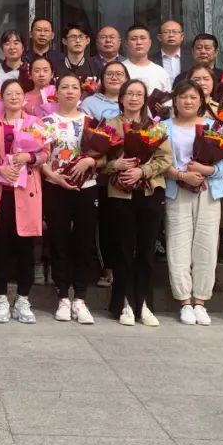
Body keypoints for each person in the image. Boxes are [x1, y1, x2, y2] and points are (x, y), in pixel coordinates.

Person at [0, 79, 48, 324]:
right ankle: (0, 298)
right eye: (9, 93)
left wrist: (29, 157)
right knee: (1, 247)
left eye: (18, 93)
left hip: (26, 192)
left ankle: (23, 299)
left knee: (25, 248)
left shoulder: (35, 124)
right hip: (1, 191)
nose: (14, 97)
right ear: (2, 98)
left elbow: (46, 152)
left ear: (24, 98)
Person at [162, 79, 223, 326]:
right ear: (175, 100)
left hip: (208, 191)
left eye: (193, 97)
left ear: (201, 101)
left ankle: (200, 300)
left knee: (206, 245)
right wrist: (181, 175)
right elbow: (158, 160)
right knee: (178, 245)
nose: (188, 101)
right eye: (183, 97)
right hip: (176, 190)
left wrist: (206, 170)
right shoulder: (163, 127)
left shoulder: (214, 126)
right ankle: (184, 300)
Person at [102, 79, 173, 327]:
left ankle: (144, 303)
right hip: (120, 194)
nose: (133, 98)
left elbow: (165, 158)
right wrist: (115, 165)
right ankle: (124, 303)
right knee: (123, 250)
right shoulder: (109, 125)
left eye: (139, 94)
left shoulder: (154, 127)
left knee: (146, 250)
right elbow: (97, 160)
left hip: (150, 192)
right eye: (129, 94)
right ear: (121, 98)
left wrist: (142, 171)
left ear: (145, 100)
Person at [41, 72, 99, 324]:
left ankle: (81, 298)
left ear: (81, 92)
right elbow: (41, 157)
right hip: (56, 186)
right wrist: (53, 177)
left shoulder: (91, 122)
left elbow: (102, 156)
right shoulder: (46, 122)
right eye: (64, 87)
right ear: (56, 93)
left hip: (86, 187)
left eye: (74, 87)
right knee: (59, 241)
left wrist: (90, 161)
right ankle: (63, 296)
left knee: (84, 241)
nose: (69, 91)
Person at [80, 59, 128, 289]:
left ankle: (123, 267)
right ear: (102, 78)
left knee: (123, 223)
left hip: (129, 173)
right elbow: (85, 135)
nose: (115, 77)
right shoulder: (90, 103)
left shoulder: (134, 99)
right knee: (104, 223)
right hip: (100, 173)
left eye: (119, 74)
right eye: (110, 74)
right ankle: (106, 267)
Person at [122, 24, 171, 95]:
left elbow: (167, 100)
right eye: (134, 39)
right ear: (126, 43)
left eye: (142, 38)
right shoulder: (120, 70)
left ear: (150, 43)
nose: (139, 42)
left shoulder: (161, 72)